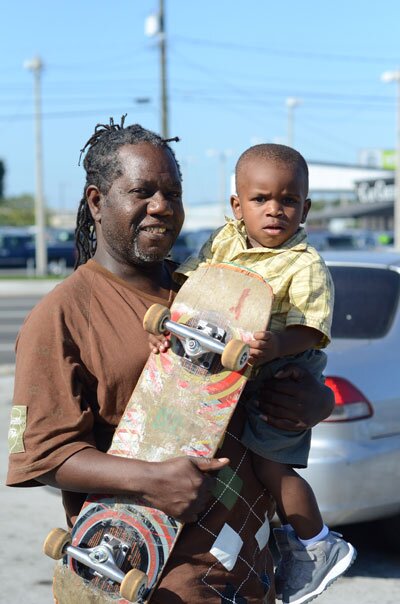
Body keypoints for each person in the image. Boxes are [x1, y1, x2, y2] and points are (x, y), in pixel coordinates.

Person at [6, 118, 335, 604]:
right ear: (97, 202)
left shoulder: (215, 293)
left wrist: (316, 402)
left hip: (253, 576)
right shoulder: (61, 316)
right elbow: (44, 455)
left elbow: (263, 387)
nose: (161, 207)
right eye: (141, 191)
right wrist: (152, 480)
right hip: (152, 584)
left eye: (172, 194)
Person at [151, 143, 356, 604]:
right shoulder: (223, 240)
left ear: (306, 208)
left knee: (270, 467)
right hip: (233, 366)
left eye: (288, 201)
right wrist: (169, 324)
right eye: (261, 199)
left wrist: (279, 344)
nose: (275, 210)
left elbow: (310, 328)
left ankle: (317, 543)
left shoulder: (304, 263)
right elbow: (191, 285)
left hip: (282, 371)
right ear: (236, 205)